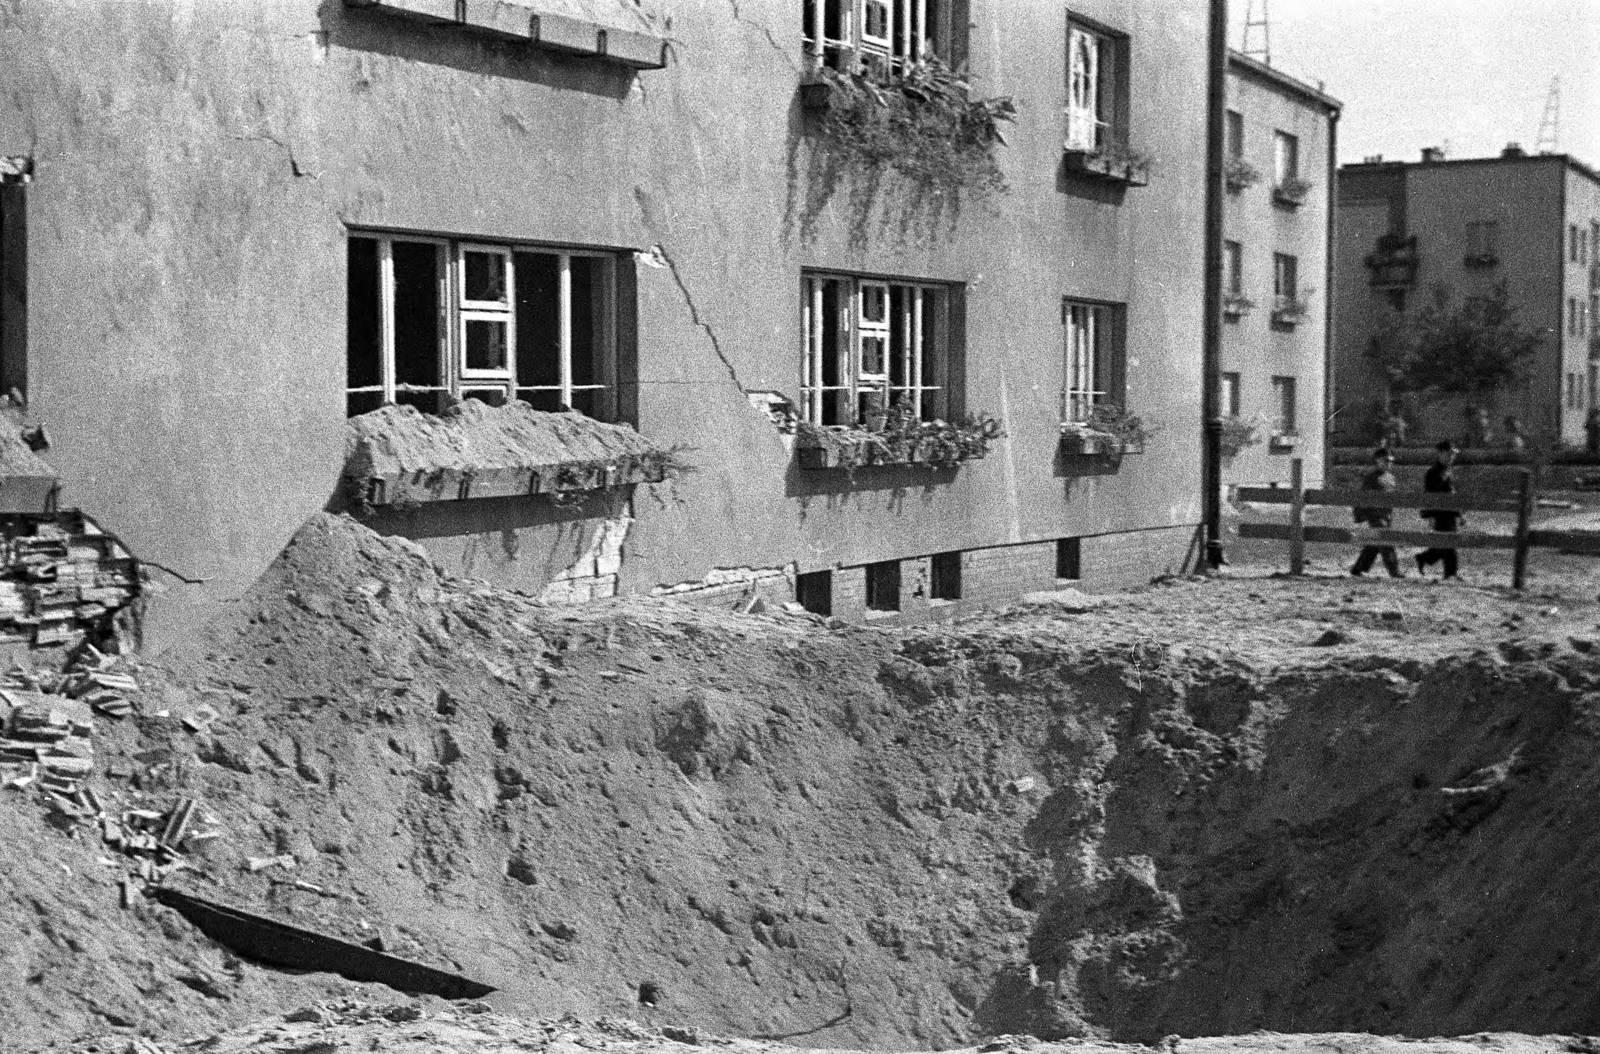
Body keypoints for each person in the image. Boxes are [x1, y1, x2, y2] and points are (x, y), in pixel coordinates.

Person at [1350, 447, 1403, 577]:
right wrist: (1360, 515)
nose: (1388, 463)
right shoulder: (1371, 478)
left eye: (1390, 461)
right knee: (1385, 539)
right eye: (1384, 461)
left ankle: (1358, 568)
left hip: (1386, 514)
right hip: (1374, 515)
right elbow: (1362, 497)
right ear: (1377, 461)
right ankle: (1394, 569)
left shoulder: (1391, 478)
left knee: (1375, 541)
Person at [1415, 440, 1460, 579]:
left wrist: (1458, 512)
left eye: (1453, 454)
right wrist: (1430, 515)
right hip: (1440, 513)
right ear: (1440, 454)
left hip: (1449, 511)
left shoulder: (1447, 470)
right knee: (1447, 542)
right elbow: (1430, 494)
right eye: (1449, 454)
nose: (1451, 457)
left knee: (1447, 543)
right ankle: (1450, 573)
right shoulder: (1433, 472)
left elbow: (1450, 492)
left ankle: (1424, 558)